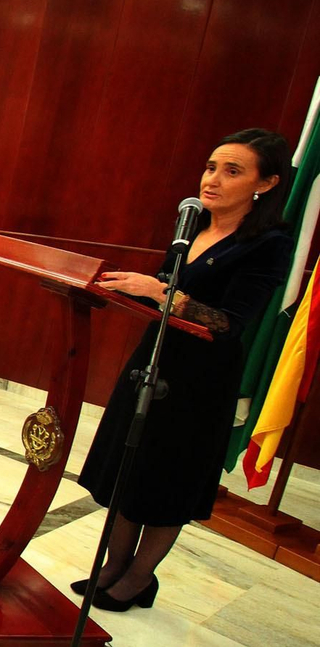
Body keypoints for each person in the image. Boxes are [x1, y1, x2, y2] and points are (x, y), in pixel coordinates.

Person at [76, 128, 294, 611]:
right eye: (210, 166)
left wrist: (158, 293)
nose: (212, 179)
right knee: (130, 465)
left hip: (200, 378)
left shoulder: (269, 244)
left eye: (232, 171)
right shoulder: (192, 228)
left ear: (267, 183)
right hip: (154, 358)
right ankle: (114, 565)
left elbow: (228, 322)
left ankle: (139, 576)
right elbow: (162, 288)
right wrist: (114, 285)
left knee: (167, 475)